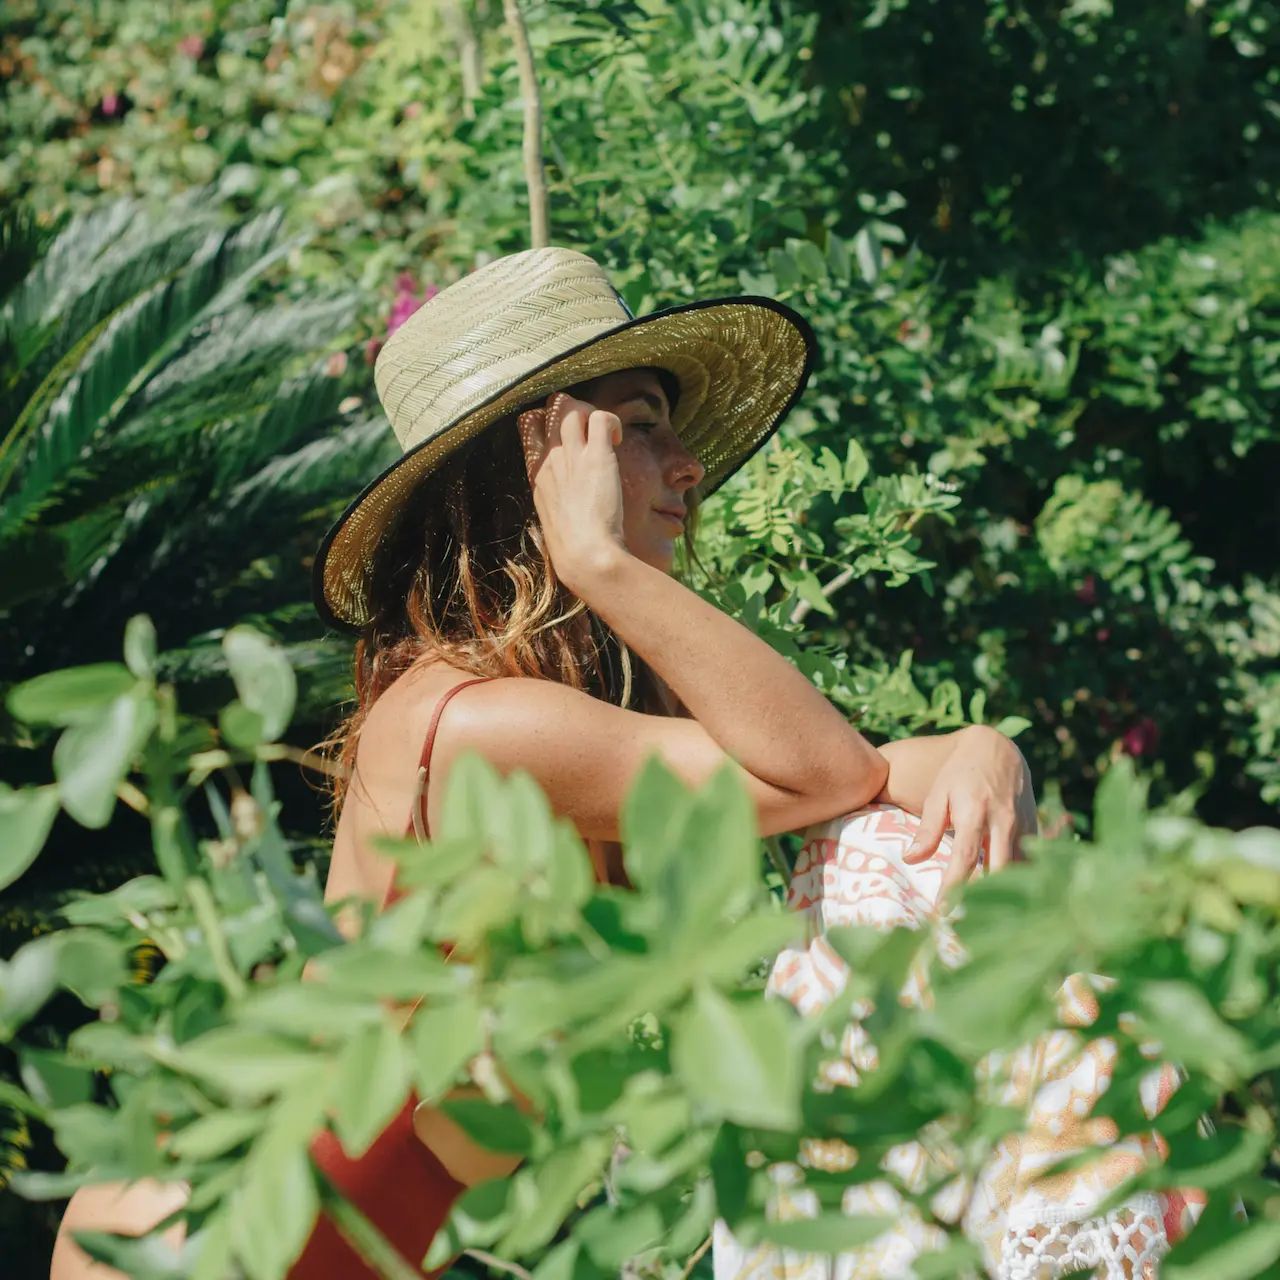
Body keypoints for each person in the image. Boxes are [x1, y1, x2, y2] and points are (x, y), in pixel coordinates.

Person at [51, 247, 1037, 1279]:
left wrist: (981, 748)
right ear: (538, 466)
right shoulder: (482, 730)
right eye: (642, 423)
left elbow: (835, 774)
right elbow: (822, 770)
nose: (688, 464)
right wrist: (601, 563)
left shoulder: (554, 723)